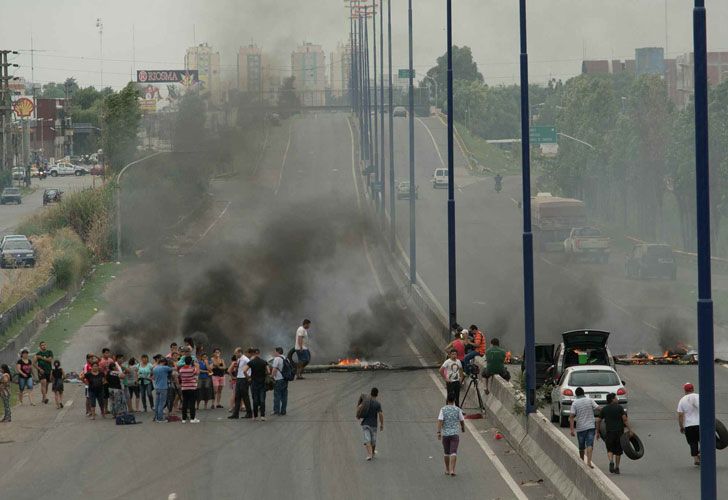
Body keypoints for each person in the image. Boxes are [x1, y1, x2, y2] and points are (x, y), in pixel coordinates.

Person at [596, 392, 634, 474]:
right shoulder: (620, 408)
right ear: (612, 399)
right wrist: (630, 430)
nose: (617, 399)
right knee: (618, 451)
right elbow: (624, 419)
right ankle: (617, 467)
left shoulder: (604, 409)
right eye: (616, 398)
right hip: (619, 432)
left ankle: (611, 461)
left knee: (609, 449)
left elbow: (598, 420)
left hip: (609, 432)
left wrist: (598, 431)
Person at [569, 387, 598, 469]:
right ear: (583, 393)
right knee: (590, 444)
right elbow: (598, 408)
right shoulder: (590, 400)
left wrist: (572, 430)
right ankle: (589, 462)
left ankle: (582, 462)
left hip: (581, 428)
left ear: (576, 394)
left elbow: (571, 417)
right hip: (591, 426)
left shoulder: (575, 403)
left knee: (581, 447)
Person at [437, 395, 466, 476]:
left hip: (445, 434)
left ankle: (447, 469)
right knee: (453, 452)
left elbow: (440, 421)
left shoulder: (443, 409)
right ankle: (452, 470)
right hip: (455, 434)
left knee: (446, 453)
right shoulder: (457, 409)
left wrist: (439, 432)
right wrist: (463, 428)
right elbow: (462, 420)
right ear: (454, 400)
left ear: (447, 400)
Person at [677, 382, 701, 466]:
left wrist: (681, 426)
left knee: (692, 442)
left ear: (685, 390)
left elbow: (680, 415)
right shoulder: (699, 396)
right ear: (693, 389)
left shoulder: (682, 400)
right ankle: (701, 453)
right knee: (703, 440)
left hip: (689, 425)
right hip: (700, 423)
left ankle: (696, 459)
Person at [359, 387, 384, 461]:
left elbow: (359, 408)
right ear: (377, 394)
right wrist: (382, 424)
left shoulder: (366, 402)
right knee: (373, 440)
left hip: (365, 424)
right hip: (373, 425)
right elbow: (380, 414)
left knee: (367, 439)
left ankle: (370, 454)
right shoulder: (377, 404)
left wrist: (358, 415)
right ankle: (371, 453)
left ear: (371, 393)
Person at [228, 349, 252, 420]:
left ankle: (249, 413)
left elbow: (251, 367)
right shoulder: (239, 360)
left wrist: (248, 376)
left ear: (240, 352)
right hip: (238, 379)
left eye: (236, 353)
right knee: (237, 397)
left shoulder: (245, 359)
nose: (235, 355)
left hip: (244, 379)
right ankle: (235, 414)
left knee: (245, 397)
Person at [247, 348, 270, 421]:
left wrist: (249, 378)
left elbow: (244, 370)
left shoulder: (251, 362)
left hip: (254, 383)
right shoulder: (264, 362)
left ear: (254, 353)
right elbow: (268, 371)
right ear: (259, 353)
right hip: (262, 383)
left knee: (255, 400)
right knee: (262, 400)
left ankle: (255, 416)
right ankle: (262, 416)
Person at [178, 356, 200, 423]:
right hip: (192, 387)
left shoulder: (181, 369)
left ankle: (184, 418)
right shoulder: (192, 369)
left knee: (185, 402)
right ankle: (192, 418)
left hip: (184, 387)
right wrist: (197, 366)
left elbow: (180, 376)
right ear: (191, 361)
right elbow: (197, 373)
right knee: (192, 403)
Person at [152, 357, 173, 422]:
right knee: (162, 403)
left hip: (157, 387)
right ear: (164, 362)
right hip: (163, 387)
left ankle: (156, 417)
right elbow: (173, 369)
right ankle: (160, 418)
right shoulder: (165, 368)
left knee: (157, 403)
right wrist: (171, 363)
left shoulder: (155, 368)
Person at [271, 347, 289, 416]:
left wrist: (272, 377)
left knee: (277, 395)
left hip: (278, 379)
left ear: (277, 352)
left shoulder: (277, 359)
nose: (274, 353)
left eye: (275, 352)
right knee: (284, 396)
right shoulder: (286, 358)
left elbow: (274, 369)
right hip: (285, 379)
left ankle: (276, 411)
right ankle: (283, 411)